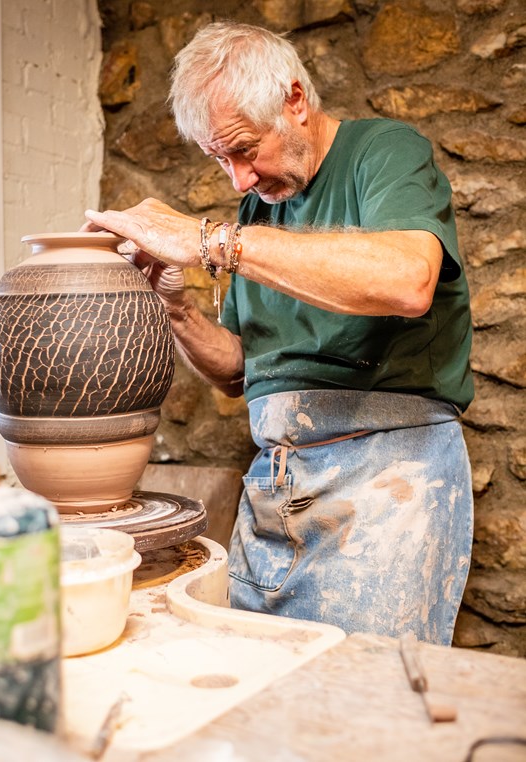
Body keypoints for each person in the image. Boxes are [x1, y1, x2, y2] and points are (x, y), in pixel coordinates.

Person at [81, 21, 474, 646]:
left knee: (360, 705)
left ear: (295, 100)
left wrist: (211, 241)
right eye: (219, 158)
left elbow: (407, 279)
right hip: (274, 484)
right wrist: (177, 310)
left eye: (243, 149)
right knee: (265, 693)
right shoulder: (257, 209)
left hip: (383, 477)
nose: (238, 179)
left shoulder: (384, 152)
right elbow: (240, 369)